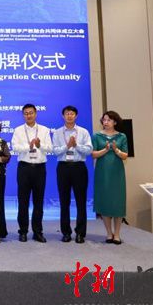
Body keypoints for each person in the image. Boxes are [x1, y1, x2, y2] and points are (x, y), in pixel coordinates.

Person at [11, 104, 52, 243]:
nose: (28, 115)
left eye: (31, 113)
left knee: (38, 202)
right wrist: (27, 146)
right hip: (24, 168)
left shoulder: (44, 130)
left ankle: (37, 232)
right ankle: (23, 231)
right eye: (26, 113)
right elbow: (15, 147)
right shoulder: (18, 130)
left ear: (36, 114)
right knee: (23, 201)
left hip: (39, 168)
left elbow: (50, 148)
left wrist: (39, 145)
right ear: (23, 115)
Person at [52, 105, 93, 244]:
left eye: (72, 114)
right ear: (63, 116)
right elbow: (55, 151)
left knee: (81, 201)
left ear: (76, 116)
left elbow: (89, 150)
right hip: (63, 167)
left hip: (79, 167)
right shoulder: (57, 132)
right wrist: (67, 146)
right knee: (64, 201)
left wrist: (76, 146)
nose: (69, 116)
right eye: (67, 114)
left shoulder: (83, 132)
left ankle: (80, 233)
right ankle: (66, 232)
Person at [92, 110, 128, 245]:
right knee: (105, 201)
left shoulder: (122, 136)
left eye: (108, 120)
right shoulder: (96, 136)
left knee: (118, 201)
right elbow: (93, 154)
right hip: (102, 172)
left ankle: (117, 234)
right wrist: (106, 150)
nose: (105, 122)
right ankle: (108, 233)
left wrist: (116, 150)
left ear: (115, 122)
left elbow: (125, 155)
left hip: (117, 172)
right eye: (104, 120)